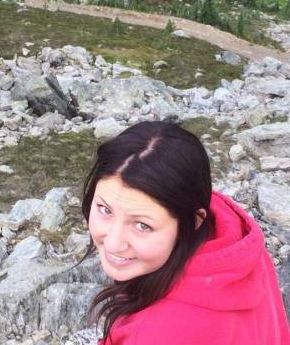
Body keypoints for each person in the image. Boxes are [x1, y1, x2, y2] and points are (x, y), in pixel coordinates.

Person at [78, 120, 290, 345]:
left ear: (194, 220)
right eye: (105, 210)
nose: (113, 243)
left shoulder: (155, 334)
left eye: (142, 225)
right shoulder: (236, 244)